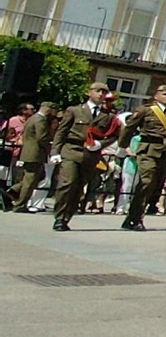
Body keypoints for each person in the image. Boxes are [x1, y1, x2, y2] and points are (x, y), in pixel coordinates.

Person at [50, 82, 118, 231]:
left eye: (104, 92)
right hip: (72, 150)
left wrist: (101, 144)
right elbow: (62, 131)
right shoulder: (74, 110)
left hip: (90, 155)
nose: (101, 94)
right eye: (98, 91)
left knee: (79, 187)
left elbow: (114, 135)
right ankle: (59, 217)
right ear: (89, 92)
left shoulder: (108, 116)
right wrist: (55, 151)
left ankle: (67, 216)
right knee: (67, 183)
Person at [117, 85, 166, 231]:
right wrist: (123, 146)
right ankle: (137, 218)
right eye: (164, 94)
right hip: (148, 150)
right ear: (156, 95)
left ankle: (131, 218)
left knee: (154, 185)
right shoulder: (145, 110)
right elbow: (130, 127)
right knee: (146, 181)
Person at [6, 102, 53, 212]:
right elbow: (42, 137)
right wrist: (49, 148)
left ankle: (14, 190)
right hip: (35, 153)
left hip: (28, 152)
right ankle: (20, 204)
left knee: (39, 176)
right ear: (48, 109)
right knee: (30, 180)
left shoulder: (31, 119)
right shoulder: (40, 120)